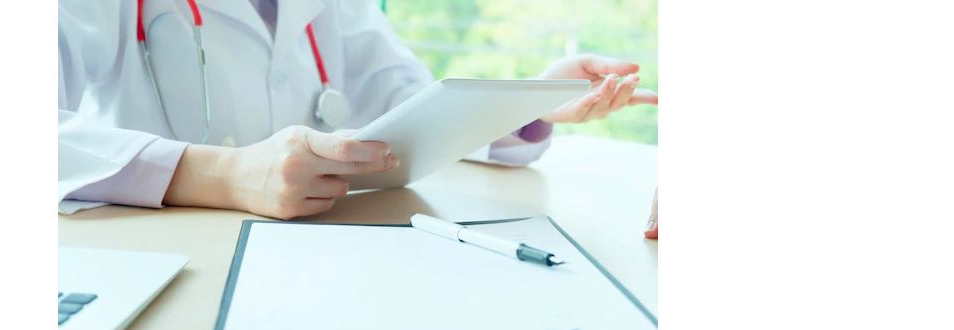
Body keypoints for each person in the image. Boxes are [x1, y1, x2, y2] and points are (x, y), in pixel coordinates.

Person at [59, 0, 656, 219]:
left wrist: (531, 102)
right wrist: (223, 174)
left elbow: (410, 105)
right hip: (167, 257)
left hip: (314, 249)